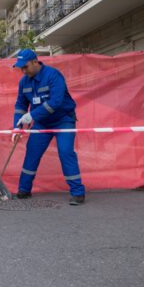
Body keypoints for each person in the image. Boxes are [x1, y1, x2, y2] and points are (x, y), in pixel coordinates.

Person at [11, 49, 86, 205]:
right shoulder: (24, 82)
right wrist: (17, 127)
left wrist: (32, 116)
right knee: (32, 152)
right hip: (42, 123)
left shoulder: (53, 75)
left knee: (66, 152)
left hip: (63, 119)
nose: (23, 71)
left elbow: (56, 102)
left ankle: (78, 193)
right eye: (21, 68)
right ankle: (24, 190)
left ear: (34, 62)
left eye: (25, 67)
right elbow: (20, 105)